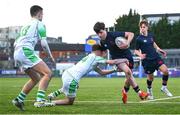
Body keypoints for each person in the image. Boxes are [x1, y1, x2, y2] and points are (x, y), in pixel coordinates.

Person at [47, 44, 128, 105]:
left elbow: (102, 73)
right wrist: (125, 59)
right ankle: (48, 103)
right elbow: (112, 62)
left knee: (70, 87)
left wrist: (114, 70)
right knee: (69, 101)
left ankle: (52, 95)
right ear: (99, 51)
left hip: (67, 73)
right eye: (103, 52)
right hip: (72, 78)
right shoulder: (95, 57)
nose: (104, 54)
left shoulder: (91, 58)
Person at [93, 22, 149, 104]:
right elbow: (104, 52)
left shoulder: (114, 35)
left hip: (128, 56)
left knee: (129, 77)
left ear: (105, 29)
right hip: (118, 59)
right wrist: (100, 58)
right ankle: (140, 93)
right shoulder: (102, 42)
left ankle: (124, 91)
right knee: (128, 72)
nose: (99, 35)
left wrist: (127, 42)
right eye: (97, 33)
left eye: (101, 32)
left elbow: (131, 34)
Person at [12, 5, 55, 110]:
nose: (43, 16)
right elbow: (44, 43)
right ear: (39, 13)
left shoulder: (25, 26)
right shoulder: (39, 24)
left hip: (17, 52)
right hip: (25, 51)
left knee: (36, 78)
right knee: (48, 73)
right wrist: (50, 56)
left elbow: (15, 43)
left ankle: (19, 100)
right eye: (42, 14)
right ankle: (39, 101)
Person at [134, 20, 173, 100]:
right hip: (147, 61)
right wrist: (140, 55)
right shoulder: (139, 39)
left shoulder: (150, 36)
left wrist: (159, 49)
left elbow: (153, 43)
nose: (142, 29)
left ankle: (164, 87)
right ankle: (149, 90)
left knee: (165, 71)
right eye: (141, 27)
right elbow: (136, 50)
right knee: (151, 78)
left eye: (144, 27)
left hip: (155, 57)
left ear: (147, 28)